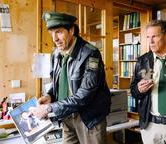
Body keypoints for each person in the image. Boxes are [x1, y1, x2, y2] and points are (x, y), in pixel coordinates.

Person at [30, 11, 111, 144]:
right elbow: (58, 82)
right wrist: (50, 96)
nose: (55, 39)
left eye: (59, 32)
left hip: (88, 119)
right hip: (67, 116)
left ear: (72, 30)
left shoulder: (90, 53)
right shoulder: (56, 54)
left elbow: (84, 95)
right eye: (51, 33)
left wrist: (50, 108)